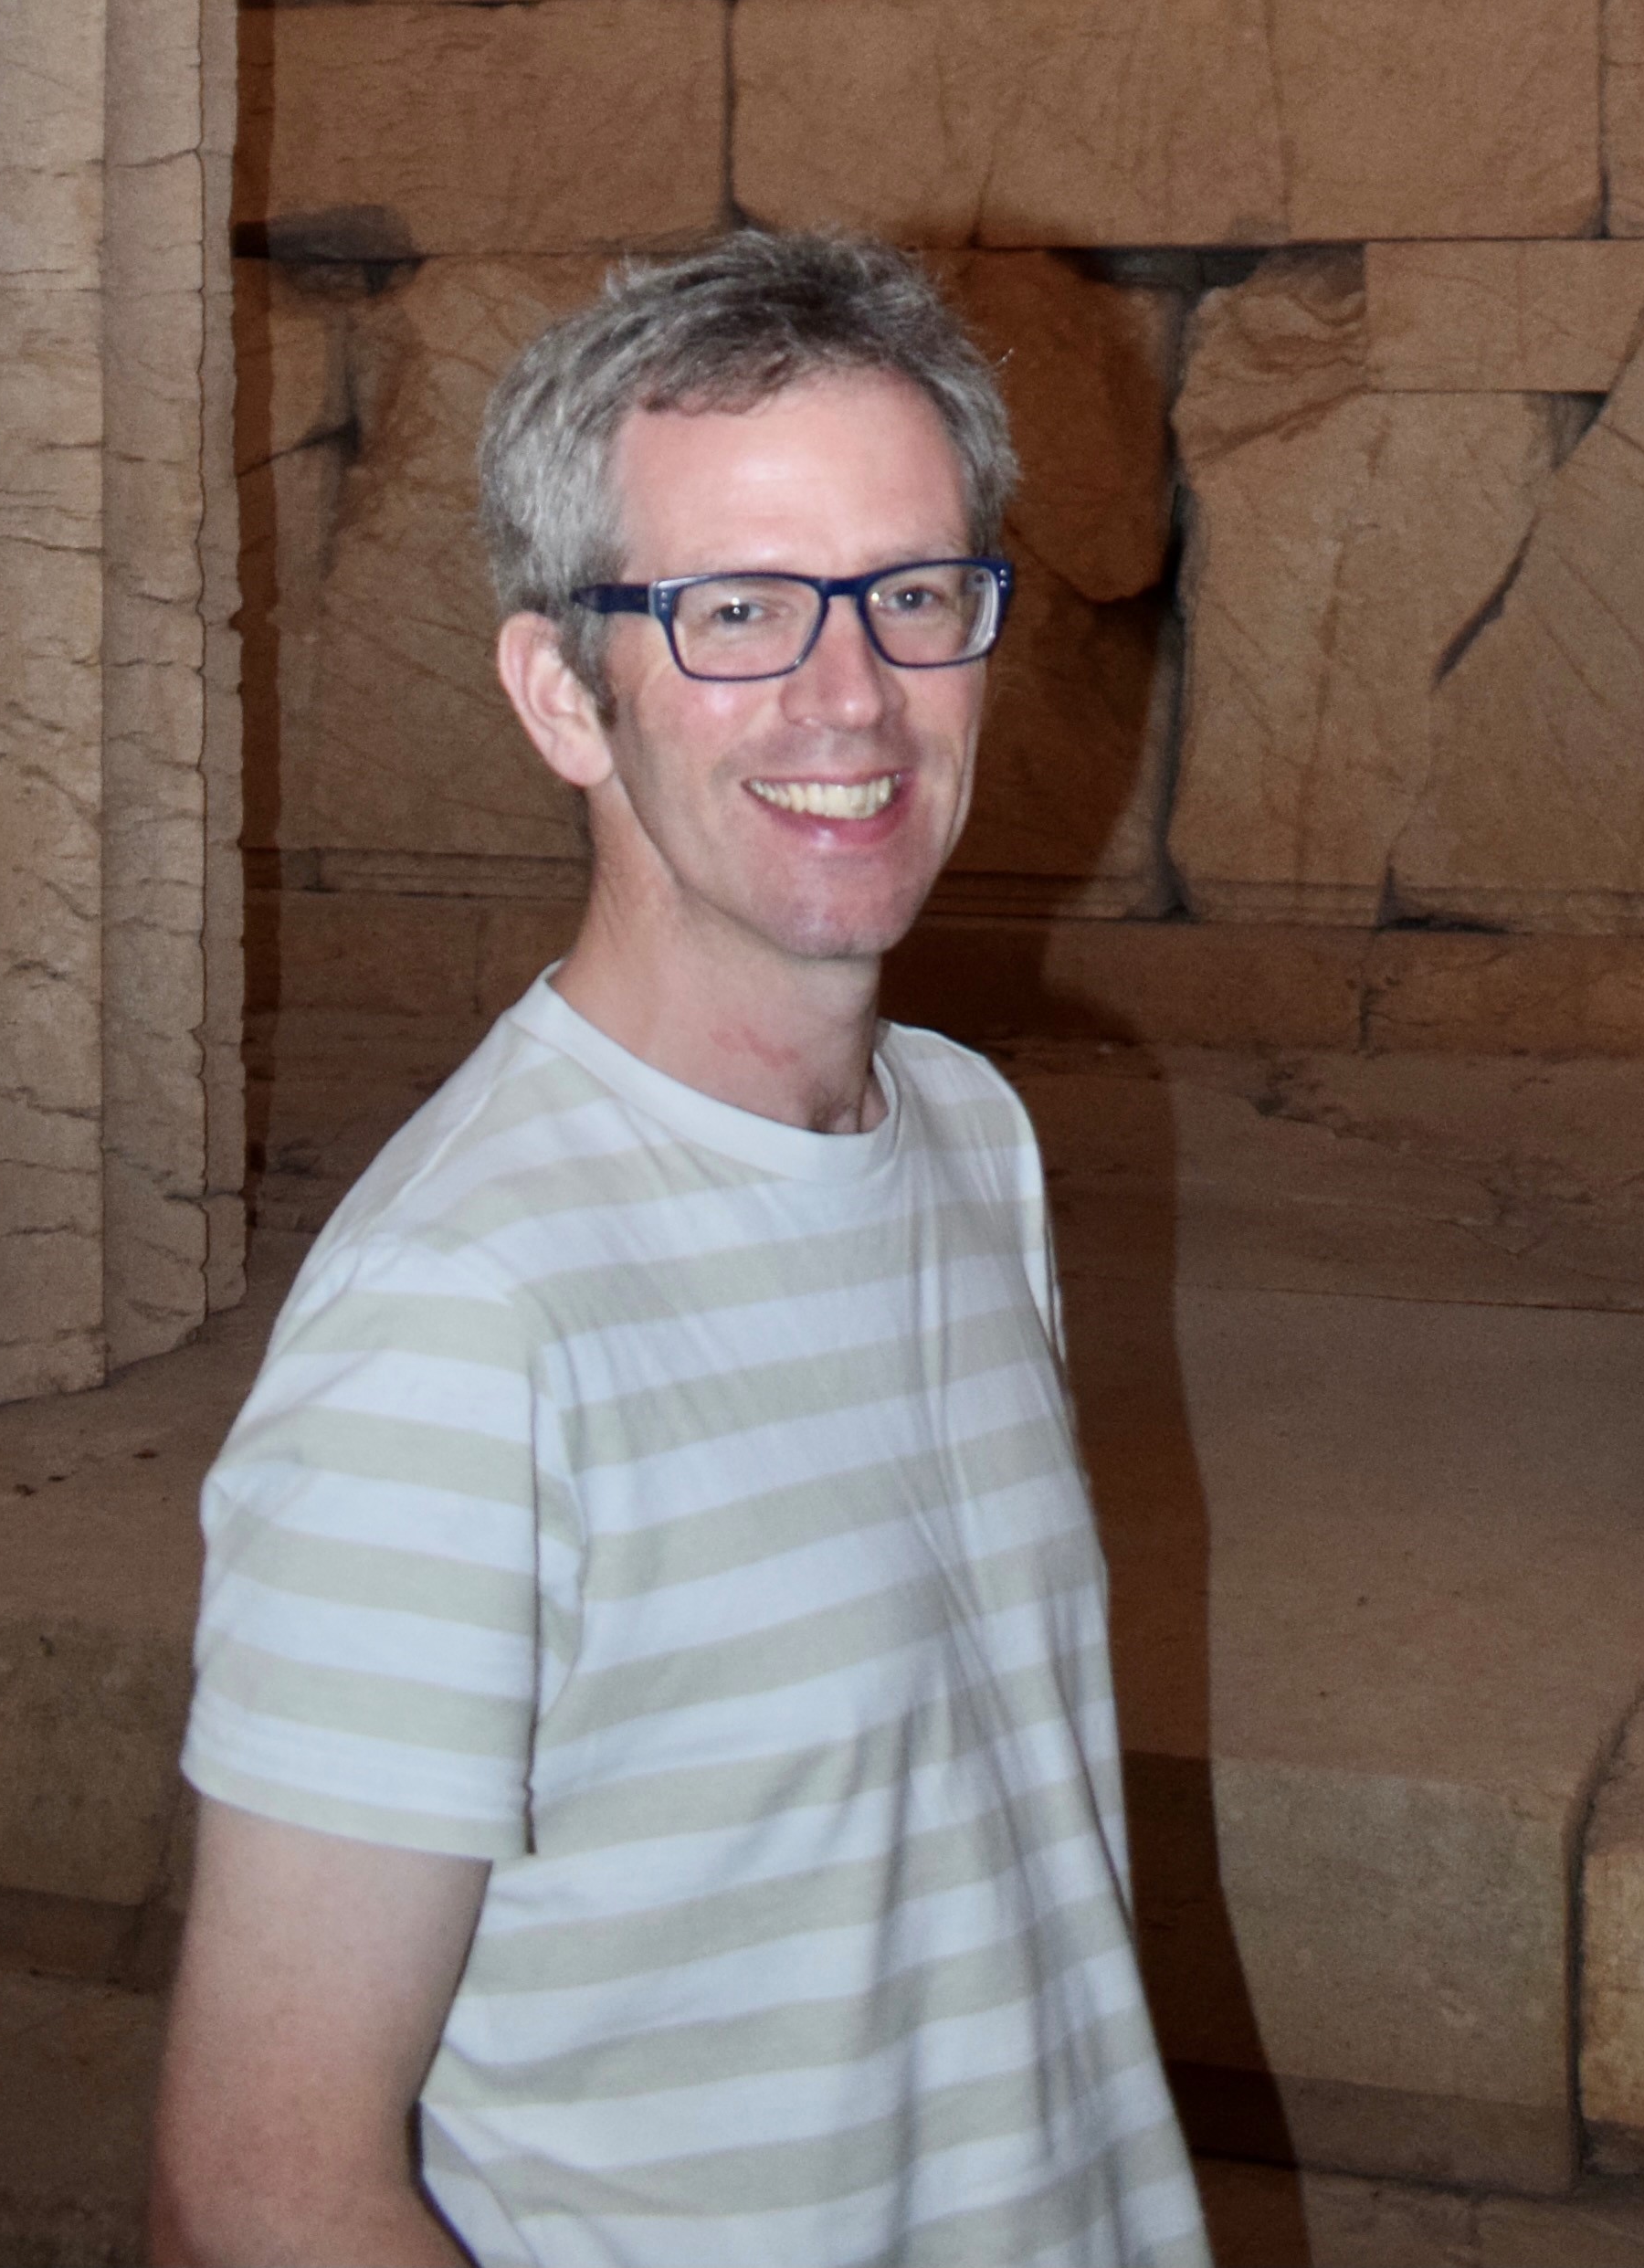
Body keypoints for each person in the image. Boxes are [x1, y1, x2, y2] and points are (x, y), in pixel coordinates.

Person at [148, 230, 1207, 2268]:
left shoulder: (969, 1141)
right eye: (731, 609)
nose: (851, 697)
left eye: (912, 595)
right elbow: (256, 2191)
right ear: (564, 691)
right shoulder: (464, 1324)